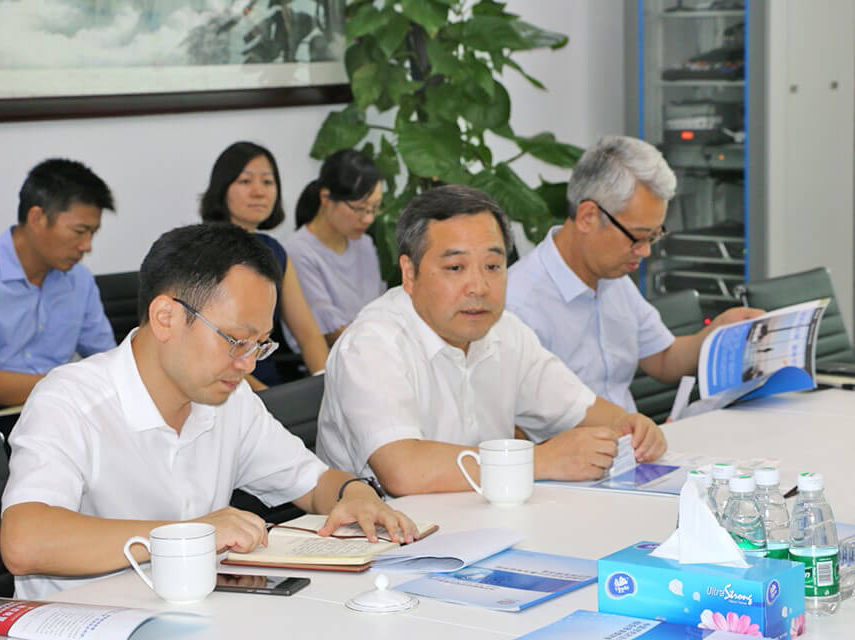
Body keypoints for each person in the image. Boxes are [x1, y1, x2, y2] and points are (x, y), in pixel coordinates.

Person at [0, 223, 416, 600]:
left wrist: (355, 494)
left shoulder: (229, 399)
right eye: (236, 340)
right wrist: (189, 535)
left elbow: (314, 483)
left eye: (260, 345)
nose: (248, 364)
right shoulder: (70, 402)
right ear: (165, 317)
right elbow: (25, 542)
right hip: (82, 622)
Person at [315, 185, 667, 497]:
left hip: (484, 524)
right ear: (410, 273)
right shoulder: (372, 343)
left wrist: (630, 426)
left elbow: (581, 411)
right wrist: (539, 460)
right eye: (456, 268)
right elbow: (403, 470)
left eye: (493, 267)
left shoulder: (504, 331)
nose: (479, 287)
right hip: (384, 538)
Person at [506, 136, 763, 413]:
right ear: (588, 217)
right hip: (584, 440)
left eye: (654, 236)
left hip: (631, 437)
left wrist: (719, 330)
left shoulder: (612, 277)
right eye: (638, 237)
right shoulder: (517, 305)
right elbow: (520, 424)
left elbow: (664, 359)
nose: (645, 252)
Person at [0, 158, 116, 410]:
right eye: (79, 231)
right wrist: (69, 385)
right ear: (37, 218)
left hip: (64, 411)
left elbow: (109, 361)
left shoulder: (80, 280)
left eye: (93, 233)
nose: (87, 246)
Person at [200, 141, 328, 387]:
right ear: (222, 189)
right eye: (245, 181)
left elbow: (308, 334)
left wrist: (324, 385)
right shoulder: (204, 250)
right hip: (222, 387)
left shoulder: (274, 251)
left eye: (267, 182)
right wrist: (263, 398)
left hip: (269, 385)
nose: (259, 192)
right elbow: (207, 347)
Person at [287, 149, 386, 346]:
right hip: (338, 353)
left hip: (374, 347)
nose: (368, 218)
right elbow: (329, 332)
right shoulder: (299, 251)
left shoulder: (364, 244)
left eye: (374, 208)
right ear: (326, 197)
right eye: (359, 208)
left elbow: (381, 309)